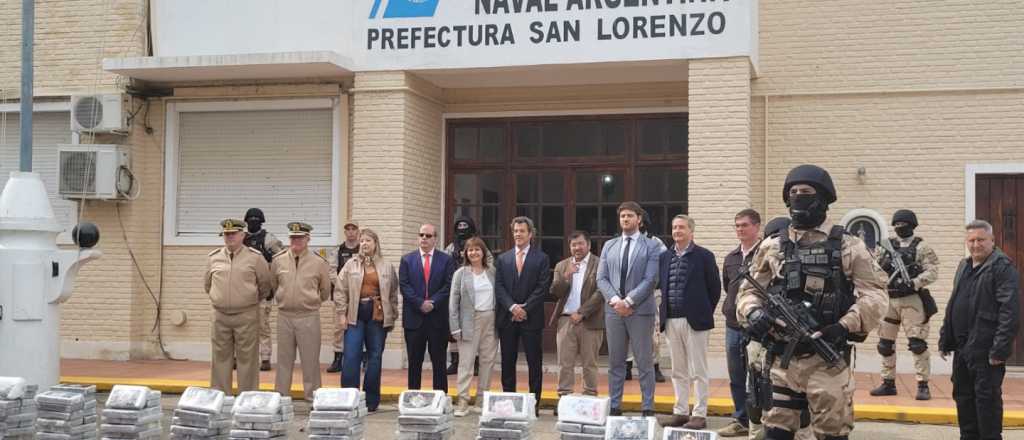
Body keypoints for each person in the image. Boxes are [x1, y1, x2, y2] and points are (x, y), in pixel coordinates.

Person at [738, 164, 888, 440]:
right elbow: (749, 291)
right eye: (793, 192)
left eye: (805, 191)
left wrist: (844, 326)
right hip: (781, 361)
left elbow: (876, 295)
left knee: (832, 434)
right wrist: (754, 313)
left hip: (827, 361)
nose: (798, 196)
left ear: (821, 198)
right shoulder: (772, 245)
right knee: (775, 433)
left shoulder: (847, 245)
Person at [939, 220, 1020, 440]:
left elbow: (1009, 311)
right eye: (971, 240)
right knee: (963, 398)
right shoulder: (964, 266)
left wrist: (999, 351)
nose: (976, 245)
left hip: (986, 351)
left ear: (992, 241)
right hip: (962, 349)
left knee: (987, 403)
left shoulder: (1002, 267)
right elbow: (953, 303)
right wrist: (945, 338)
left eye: (981, 240)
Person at [744, 217, 815, 440]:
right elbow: (744, 296)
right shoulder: (761, 261)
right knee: (757, 394)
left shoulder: (803, 265)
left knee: (797, 400)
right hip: (762, 341)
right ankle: (756, 434)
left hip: (795, 345)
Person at [656, 215, 721, 429]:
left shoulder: (704, 256)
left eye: (681, 227)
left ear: (691, 231)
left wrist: (702, 312)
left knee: (698, 370)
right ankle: (681, 412)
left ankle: (699, 414)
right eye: (674, 227)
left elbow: (714, 290)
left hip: (696, 322)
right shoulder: (664, 257)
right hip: (671, 319)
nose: (677, 231)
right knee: (678, 370)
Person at [597, 201, 662, 417]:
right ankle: (615, 406)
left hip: (640, 311)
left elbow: (651, 278)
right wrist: (616, 300)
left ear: (639, 219)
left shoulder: (651, 246)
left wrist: (629, 301)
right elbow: (602, 278)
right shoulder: (609, 245)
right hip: (614, 311)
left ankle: (647, 407)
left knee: (644, 361)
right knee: (615, 362)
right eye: (622, 216)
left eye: (630, 216)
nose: (625, 219)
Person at [869, 209, 940, 400]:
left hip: (912, 299)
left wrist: (914, 282)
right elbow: (872, 270)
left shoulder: (922, 247)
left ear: (913, 225)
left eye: (904, 224)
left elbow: (933, 271)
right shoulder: (885, 246)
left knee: (917, 343)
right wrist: (883, 267)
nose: (900, 227)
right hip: (890, 299)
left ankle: (923, 384)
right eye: (897, 224)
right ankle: (888, 382)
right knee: (885, 344)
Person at [205, 219, 274, 393]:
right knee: (220, 358)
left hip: (246, 315)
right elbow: (208, 284)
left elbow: (265, 285)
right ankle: (221, 397)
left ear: (242, 235)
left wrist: (248, 299)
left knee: (247, 359)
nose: (229, 237)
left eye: (233, 234)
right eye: (226, 234)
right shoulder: (214, 257)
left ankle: (248, 397)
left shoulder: (255, 257)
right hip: (220, 316)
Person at [337, 228, 399, 412]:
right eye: (362, 241)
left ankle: (371, 401)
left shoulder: (386, 265)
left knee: (375, 357)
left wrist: (392, 315)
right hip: (355, 314)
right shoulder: (350, 264)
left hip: (377, 315)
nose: (364, 244)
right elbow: (341, 290)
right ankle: (349, 397)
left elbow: (393, 293)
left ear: (375, 244)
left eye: (368, 241)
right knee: (351, 355)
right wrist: (342, 314)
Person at [494, 216, 552, 415]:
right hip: (507, 318)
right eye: (515, 231)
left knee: (534, 363)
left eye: (522, 231)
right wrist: (512, 307)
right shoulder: (503, 258)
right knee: (507, 362)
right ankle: (509, 403)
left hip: (531, 318)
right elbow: (499, 287)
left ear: (530, 234)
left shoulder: (542, 258)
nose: (518, 234)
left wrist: (524, 308)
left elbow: (543, 287)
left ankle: (533, 405)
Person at [271, 222, 331, 401]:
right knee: (283, 360)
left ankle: (313, 397)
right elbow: (274, 285)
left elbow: (325, 290)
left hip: (308, 316)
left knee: (310, 360)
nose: (296, 241)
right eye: (293, 238)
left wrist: (311, 301)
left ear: (307, 239)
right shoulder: (278, 260)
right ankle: (280, 397)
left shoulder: (319, 262)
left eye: (300, 238)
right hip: (285, 316)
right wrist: (284, 298)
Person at [715, 209, 761, 437]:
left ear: (757, 227)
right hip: (733, 324)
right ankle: (741, 419)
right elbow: (728, 287)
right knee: (736, 375)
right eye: (737, 226)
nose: (740, 229)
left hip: (756, 327)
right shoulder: (731, 258)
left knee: (758, 375)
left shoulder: (765, 254)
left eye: (744, 225)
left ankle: (758, 421)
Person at [549, 230, 604, 410]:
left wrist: (582, 312)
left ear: (588, 245)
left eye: (580, 244)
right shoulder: (562, 265)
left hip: (590, 320)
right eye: (573, 245)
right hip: (566, 320)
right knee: (565, 363)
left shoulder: (600, 264)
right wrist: (567, 276)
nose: (577, 248)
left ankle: (589, 399)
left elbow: (601, 292)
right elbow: (555, 292)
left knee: (590, 363)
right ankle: (564, 399)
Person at [400, 223, 457, 393]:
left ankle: (440, 398)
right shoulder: (407, 260)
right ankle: (413, 397)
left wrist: (432, 302)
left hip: (437, 319)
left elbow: (449, 285)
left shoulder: (446, 260)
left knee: (439, 363)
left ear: (435, 239)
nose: (424, 238)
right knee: (414, 362)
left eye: (428, 236)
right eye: (421, 235)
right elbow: (404, 285)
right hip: (414, 319)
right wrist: (420, 303)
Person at [448, 237, 499, 416]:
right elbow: (453, 302)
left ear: (484, 252)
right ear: (465, 253)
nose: (474, 253)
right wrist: (455, 327)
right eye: (470, 250)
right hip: (469, 321)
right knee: (466, 363)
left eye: (477, 249)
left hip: (490, 320)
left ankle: (481, 399)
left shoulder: (492, 271)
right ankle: (462, 401)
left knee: (487, 361)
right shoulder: (460, 273)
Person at [443, 216, 493, 376]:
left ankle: (476, 362)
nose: (462, 229)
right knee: (455, 329)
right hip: (456, 288)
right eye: (459, 226)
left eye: (465, 225)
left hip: (476, 289)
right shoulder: (451, 247)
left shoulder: (478, 245)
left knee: (475, 333)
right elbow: (444, 265)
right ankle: (455, 360)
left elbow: (490, 262)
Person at [625, 211, 668, 383]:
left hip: (651, 293)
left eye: (632, 217)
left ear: (641, 222)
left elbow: (665, 265)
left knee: (652, 333)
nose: (627, 220)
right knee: (626, 331)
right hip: (627, 293)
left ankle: (654, 367)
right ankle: (627, 366)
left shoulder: (655, 242)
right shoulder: (620, 242)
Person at [243, 208, 285, 371]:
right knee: (243, 328)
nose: (253, 222)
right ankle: (240, 357)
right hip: (245, 291)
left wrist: (274, 285)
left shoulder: (269, 239)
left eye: (256, 219)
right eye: (250, 219)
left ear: (261, 222)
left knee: (263, 326)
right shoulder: (242, 239)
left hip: (263, 291)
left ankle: (265, 357)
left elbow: (281, 261)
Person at [327, 220, 362, 374]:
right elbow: (331, 271)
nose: (350, 232)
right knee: (339, 327)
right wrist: (342, 285)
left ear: (358, 231)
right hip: (342, 295)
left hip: (360, 294)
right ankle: (338, 358)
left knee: (361, 325)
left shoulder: (363, 249)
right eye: (347, 229)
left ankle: (364, 358)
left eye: (353, 229)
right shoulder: (338, 251)